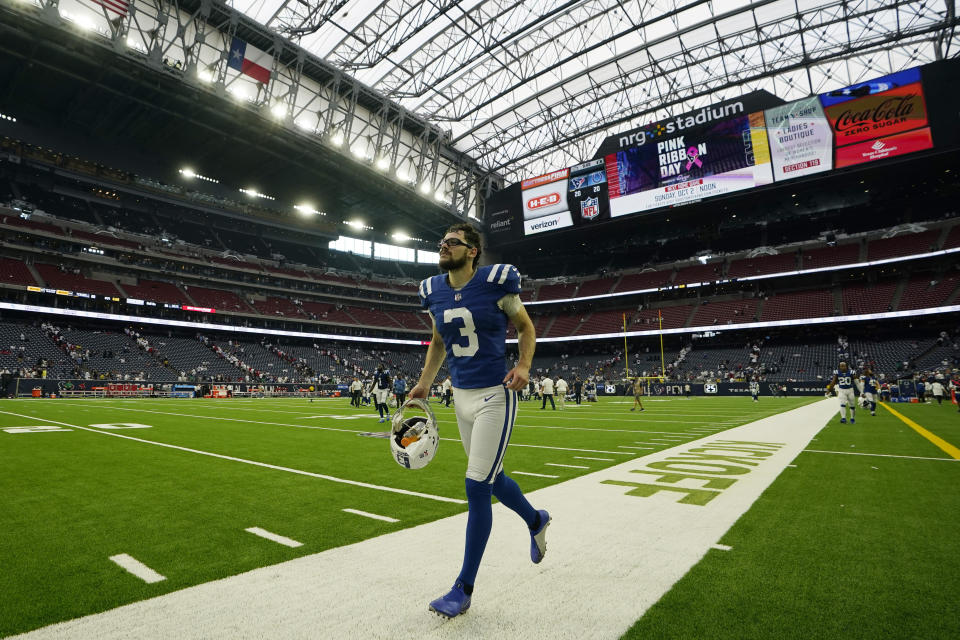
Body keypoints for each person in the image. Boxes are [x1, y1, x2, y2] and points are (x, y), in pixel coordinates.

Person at [409, 223, 549, 619]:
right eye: (441, 242)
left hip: (495, 394)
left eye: (452, 242)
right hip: (461, 397)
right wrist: (424, 384)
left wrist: (523, 364)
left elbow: (525, 327)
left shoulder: (495, 282)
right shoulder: (432, 290)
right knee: (495, 479)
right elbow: (438, 341)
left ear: (472, 251)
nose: (444, 247)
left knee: (476, 486)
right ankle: (536, 519)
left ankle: (463, 587)